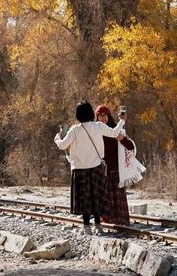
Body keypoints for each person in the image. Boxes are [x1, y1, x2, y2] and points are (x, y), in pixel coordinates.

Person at [55, 100, 125, 235]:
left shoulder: (74, 130)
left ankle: (86, 227)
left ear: (78, 114)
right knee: (96, 196)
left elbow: (62, 145)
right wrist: (122, 120)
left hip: (79, 170)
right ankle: (98, 225)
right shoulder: (99, 126)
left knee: (85, 198)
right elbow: (115, 133)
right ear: (91, 113)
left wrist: (57, 138)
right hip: (96, 168)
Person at [95, 104, 135, 227]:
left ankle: (121, 221)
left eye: (105, 115)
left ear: (108, 116)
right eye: (100, 116)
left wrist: (121, 138)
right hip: (101, 170)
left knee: (117, 196)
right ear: (96, 118)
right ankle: (107, 221)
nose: (103, 118)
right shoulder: (95, 131)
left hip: (116, 169)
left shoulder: (116, 129)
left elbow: (130, 147)